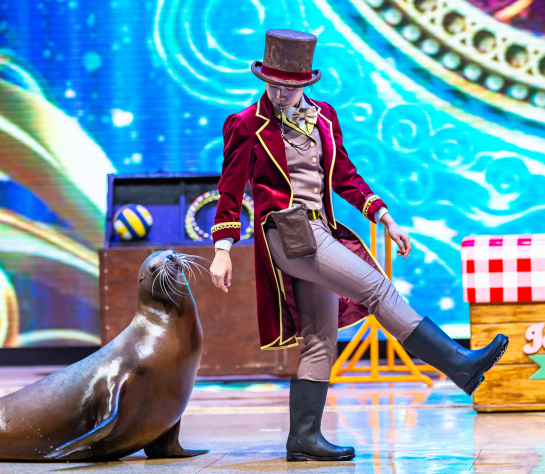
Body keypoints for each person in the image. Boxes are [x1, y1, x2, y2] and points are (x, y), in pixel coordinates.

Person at [208, 29, 508, 463]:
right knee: (377, 289)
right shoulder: (245, 124)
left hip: (321, 229)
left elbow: (344, 175)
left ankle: (303, 438)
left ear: (306, 83)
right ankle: (458, 363)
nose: (279, 93)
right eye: (272, 84)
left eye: (289, 86)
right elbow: (230, 188)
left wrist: (384, 217)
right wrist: (222, 248)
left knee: (320, 339)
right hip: (288, 234)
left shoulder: (324, 117)